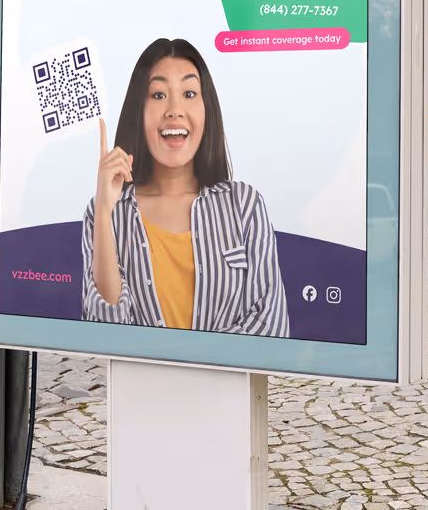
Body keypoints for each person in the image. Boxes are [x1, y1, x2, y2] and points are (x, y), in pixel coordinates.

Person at [82, 37, 289, 337]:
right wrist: (104, 211)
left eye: (189, 93)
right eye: (158, 95)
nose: (174, 110)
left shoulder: (245, 205)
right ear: (138, 111)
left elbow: (271, 326)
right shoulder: (106, 212)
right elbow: (103, 333)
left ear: (207, 109)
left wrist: (184, 356)